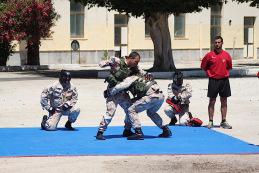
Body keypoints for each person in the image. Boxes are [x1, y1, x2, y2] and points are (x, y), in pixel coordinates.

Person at [96, 52, 146, 140]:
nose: (137, 63)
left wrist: (148, 75)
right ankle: (100, 132)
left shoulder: (134, 67)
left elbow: (143, 72)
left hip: (123, 93)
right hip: (113, 93)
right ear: (130, 58)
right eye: (136, 61)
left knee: (130, 110)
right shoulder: (118, 61)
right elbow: (101, 64)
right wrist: (108, 62)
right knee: (110, 112)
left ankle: (128, 130)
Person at [109, 74, 172, 140]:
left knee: (131, 109)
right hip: (160, 96)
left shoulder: (128, 79)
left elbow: (119, 87)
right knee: (151, 113)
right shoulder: (139, 76)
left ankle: (138, 133)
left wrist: (109, 92)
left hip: (151, 96)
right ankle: (166, 130)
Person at [201, 35, 232, 129]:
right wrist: (209, 73)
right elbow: (203, 66)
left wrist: (223, 73)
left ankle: (224, 121)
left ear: (222, 43)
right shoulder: (209, 55)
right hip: (213, 81)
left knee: (224, 101)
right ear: (214, 43)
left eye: (219, 42)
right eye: (216, 42)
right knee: (212, 101)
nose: (217, 44)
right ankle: (210, 121)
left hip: (224, 81)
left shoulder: (227, 55)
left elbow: (229, 67)